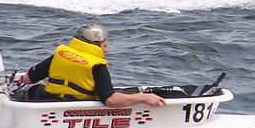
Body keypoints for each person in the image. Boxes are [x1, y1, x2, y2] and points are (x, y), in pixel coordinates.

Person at [14, 23, 167, 108]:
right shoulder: (97, 65)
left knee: (36, 84)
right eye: (105, 46)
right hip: (75, 109)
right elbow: (111, 101)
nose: (107, 50)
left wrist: (23, 79)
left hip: (48, 103)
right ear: (95, 44)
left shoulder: (60, 54)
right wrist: (142, 98)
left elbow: (28, 78)